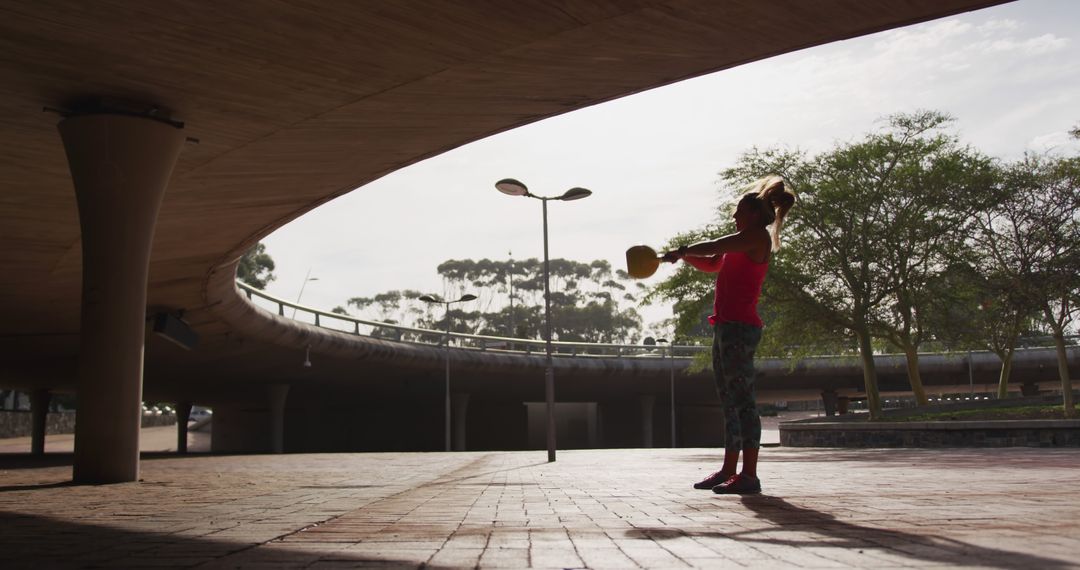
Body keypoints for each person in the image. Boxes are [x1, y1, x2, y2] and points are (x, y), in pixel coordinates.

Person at [662, 175, 795, 495]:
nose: (734, 217)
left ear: (752, 214)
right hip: (724, 326)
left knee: (744, 403)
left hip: (740, 329)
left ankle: (749, 475)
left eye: (738, 211)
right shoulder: (741, 241)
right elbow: (711, 263)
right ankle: (728, 469)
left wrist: (683, 249)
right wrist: (682, 257)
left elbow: (717, 245)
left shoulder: (756, 239)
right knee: (729, 402)